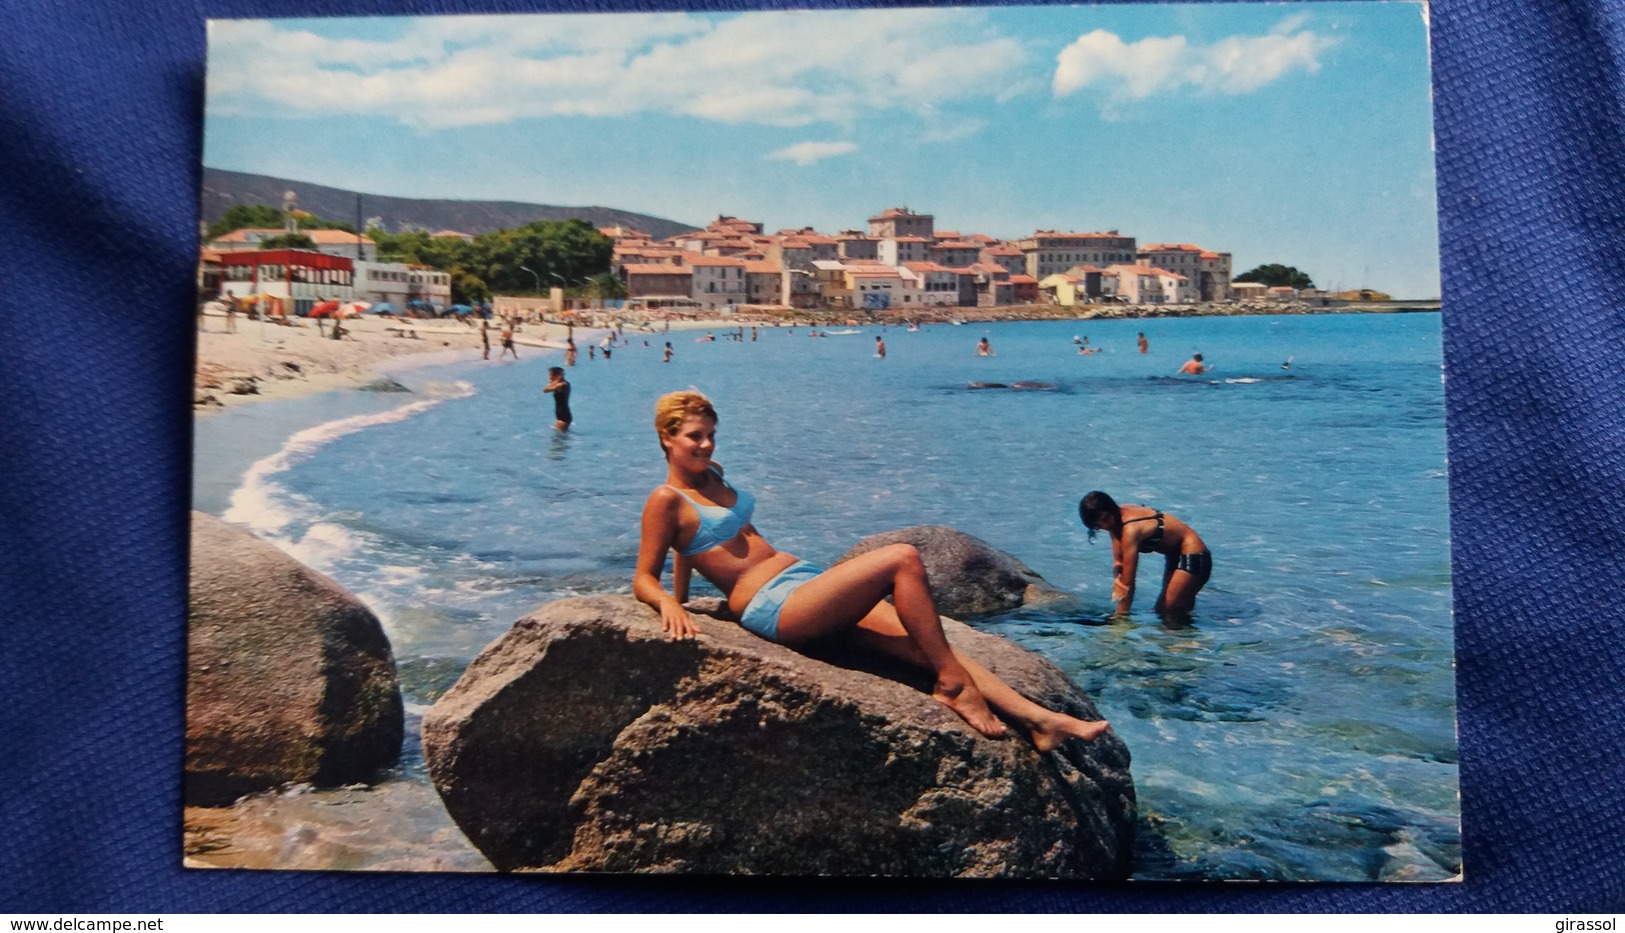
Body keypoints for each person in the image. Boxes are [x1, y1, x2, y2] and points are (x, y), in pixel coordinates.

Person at [633, 390, 1110, 747]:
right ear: (666, 437)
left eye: (712, 435)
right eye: (695, 436)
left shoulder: (712, 476)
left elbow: (687, 548)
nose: (707, 445)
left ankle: (1040, 721)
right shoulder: (664, 500)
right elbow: (644, 576)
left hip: (805, 583)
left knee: (928, 643)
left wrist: (686, 588)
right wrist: (668, 602)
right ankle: (952, 687)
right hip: (773, 606)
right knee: (902, 557)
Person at [1077, 491, 1211, 620]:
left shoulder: (1130, 529)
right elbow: (1119, 562)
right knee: (1174, 612)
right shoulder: (1115, 520)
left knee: (1167, 610)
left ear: (1111, 509)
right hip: (1174, 557)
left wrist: (1120, 619)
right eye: (1098, 527)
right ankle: (1190, 640)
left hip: (1195, 556)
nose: (1106, 526)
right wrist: (1117, 578)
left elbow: (1129, 583)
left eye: (1105, 520)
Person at [543, 366, 572, 430]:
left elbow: (545, 390)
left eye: (550, 375)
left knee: (559, 439)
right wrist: (556, 381)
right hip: (561, 416)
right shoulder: (561, 383)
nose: (549, 377)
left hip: (564, 417)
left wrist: (554, 381)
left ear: (557, 376)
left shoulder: (562, 385)